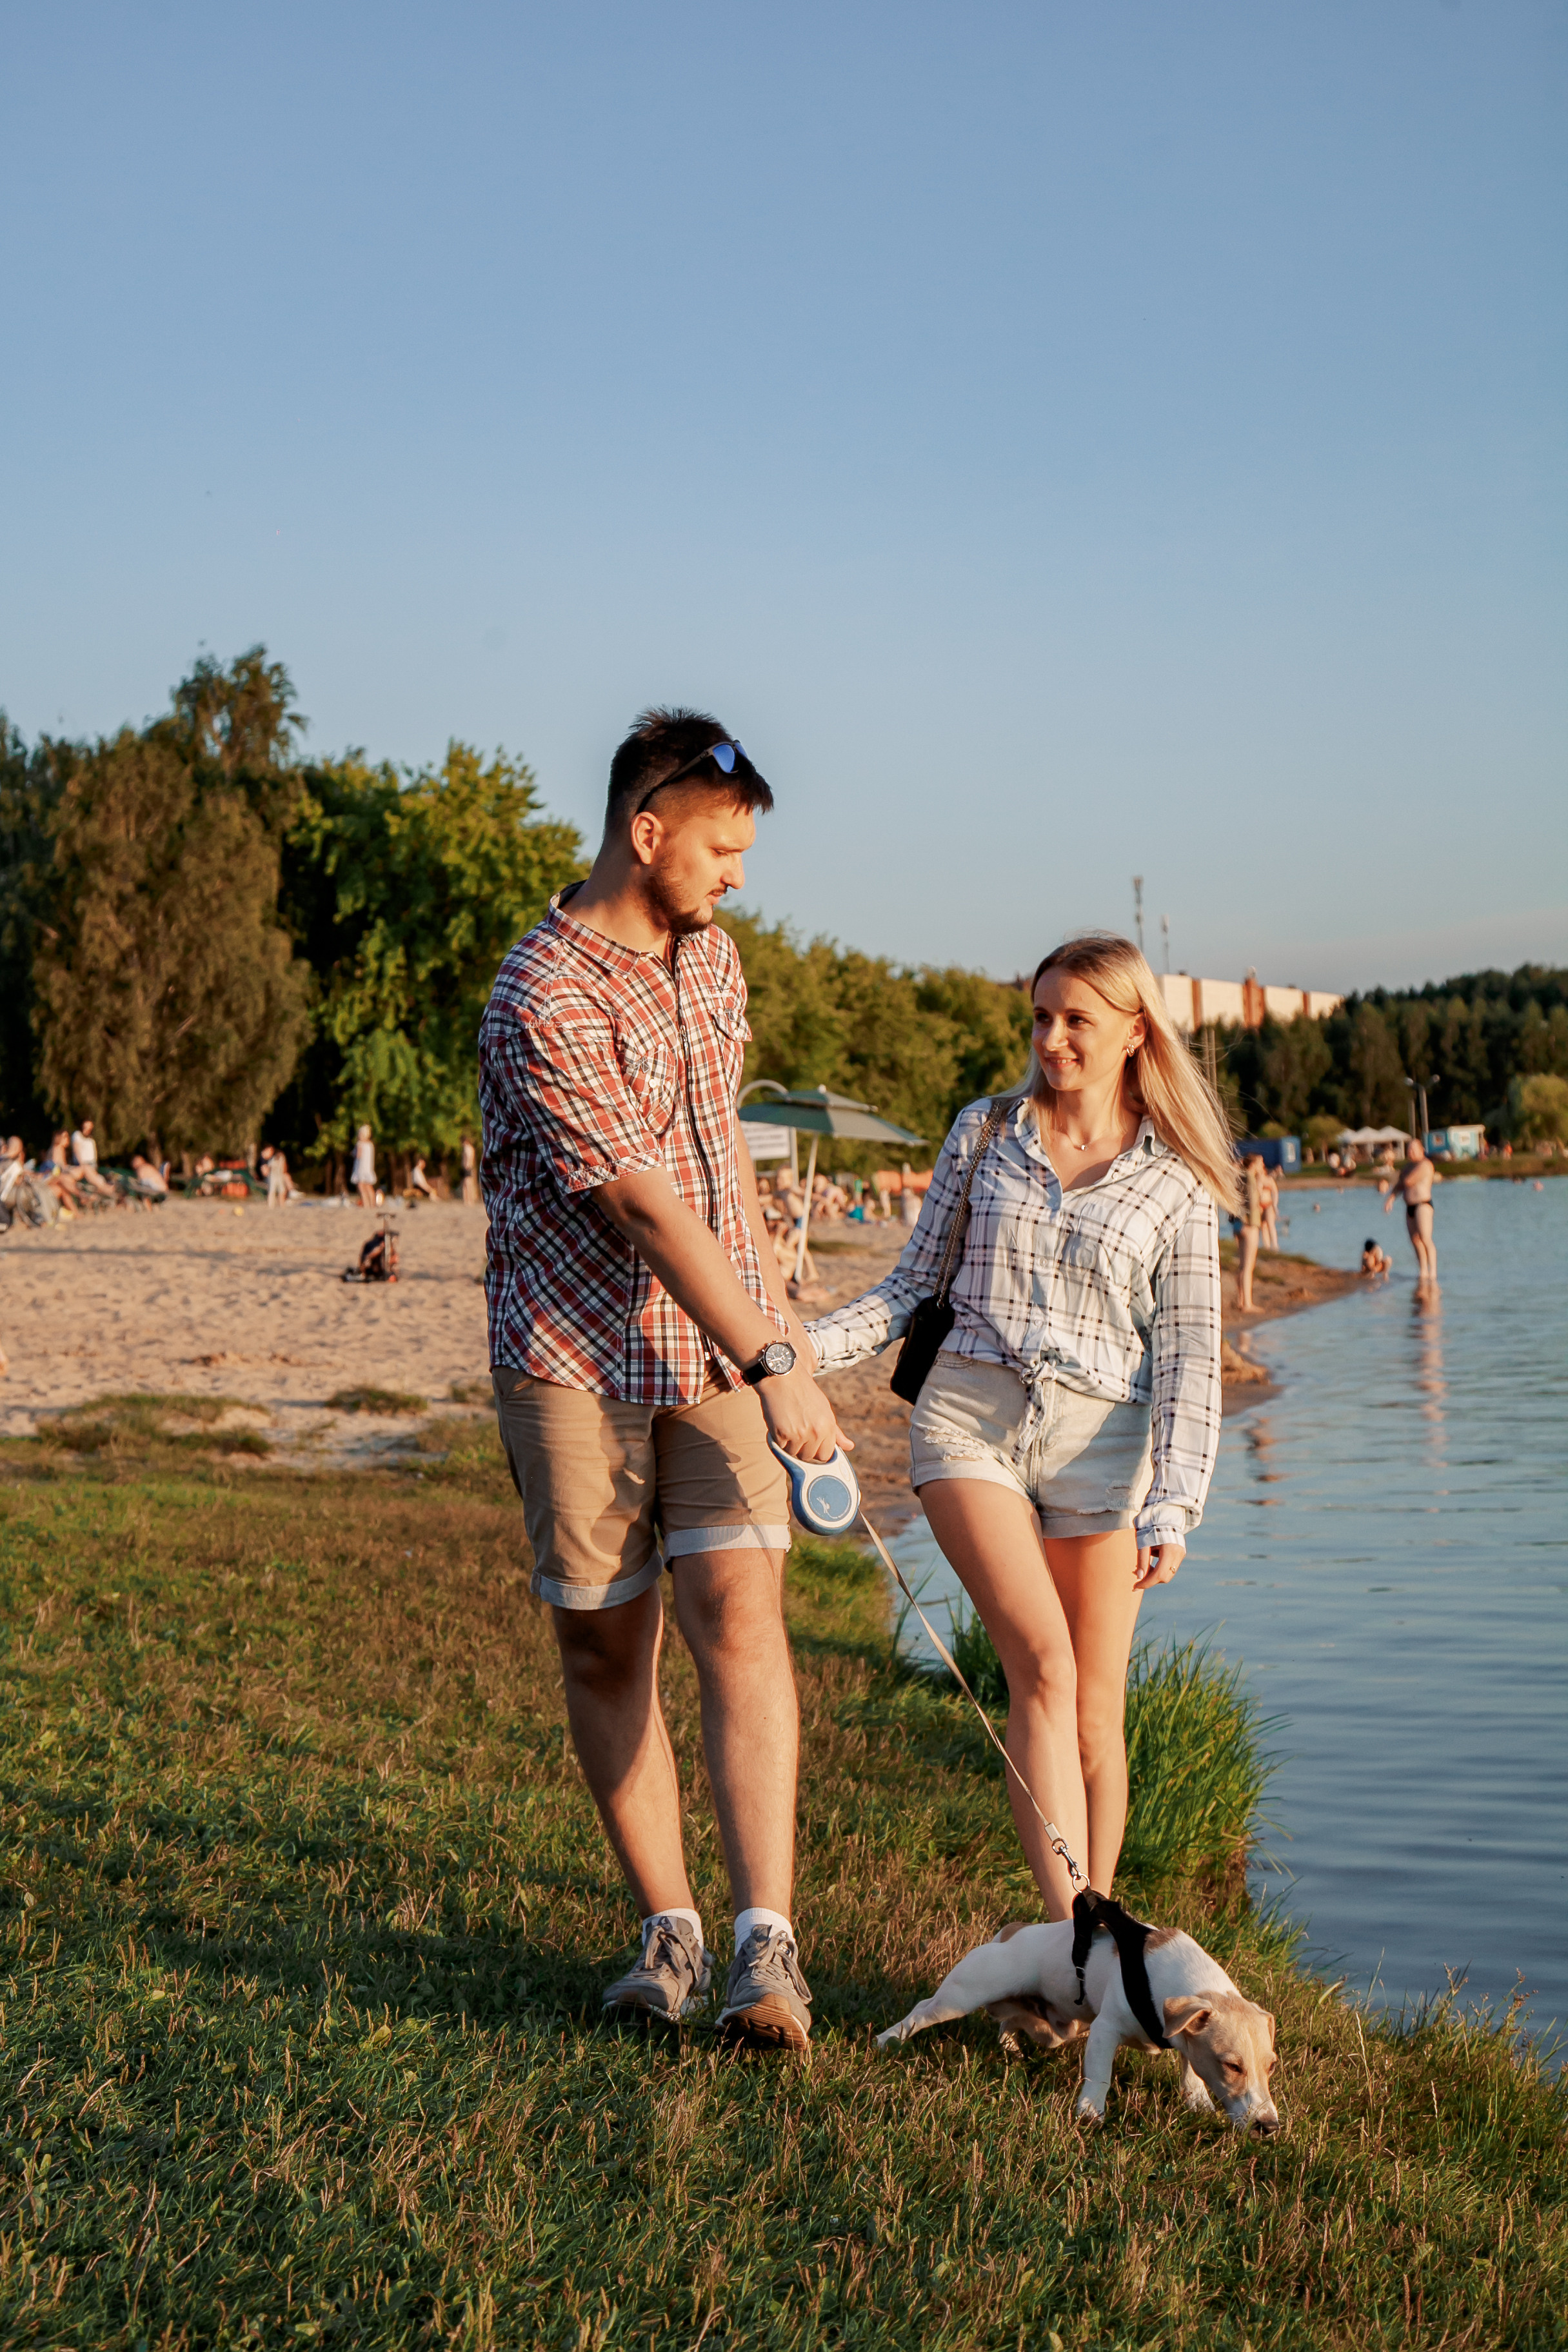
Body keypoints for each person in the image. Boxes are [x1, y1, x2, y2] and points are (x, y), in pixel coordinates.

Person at [479, 706, 848, 2055]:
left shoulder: (715, 963)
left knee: (741, 1609)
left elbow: (718, 1160)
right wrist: (772, 1350)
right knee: (603, 1634)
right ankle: (668, 1927)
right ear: (647, 832)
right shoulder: (542, 990)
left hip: (716, 1340)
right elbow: (637, 1201)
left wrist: (771, 1321)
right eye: (721, 847)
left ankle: (767, 1948)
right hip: (576, 1354)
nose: (737, 874)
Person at [806, 932, 1235, 1926]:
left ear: (1133, 1032)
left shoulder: (1172, 1182)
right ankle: (1081, 1943)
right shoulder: (983, 1131)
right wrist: (792, 1347)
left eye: (1075, 1019)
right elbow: (913, 1283)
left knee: (1094, 1710)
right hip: (970, 1420)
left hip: (1106, 1448)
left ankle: (1091, 1927)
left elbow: (1187, 1359)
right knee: (1038, 1667)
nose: (1050, 1038)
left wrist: (1174, 1502)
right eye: (1039, 1016)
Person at [1385, 1135, 1438, 1281]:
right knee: (1415, 1240)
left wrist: (1400, 1177)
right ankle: (1423, 1270)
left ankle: (1433, 1272)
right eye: (1409, 1150)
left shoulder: (1425, 1165)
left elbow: (1408, 1182)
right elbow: (1399, 1185)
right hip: (1410, 1206)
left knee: (1425, 1238)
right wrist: (1391, 1199)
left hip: (1423, 1205)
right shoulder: (1407, 1167)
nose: (1411, 1152)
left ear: (1421, 1150)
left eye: (1414, 1149)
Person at [352, 1124, 377, 1210]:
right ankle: (372, 1205)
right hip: (369, 1168)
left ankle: (366, 1205)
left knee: (361, 1187)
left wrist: (353, 1153)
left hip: (361, 1168)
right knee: (369, 1187)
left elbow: (358, 1156)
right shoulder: (371, 1145)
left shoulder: (360, 1144)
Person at [460, 1134, 480, 1204]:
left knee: (467, 1183)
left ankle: (469, 1200)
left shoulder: (467, 1148)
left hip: (468, 1167)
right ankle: (467, 1199)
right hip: (469, 1167)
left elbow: (469, 1157)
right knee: (467, 1183)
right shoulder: (471, 1148)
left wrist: (467, 1165)